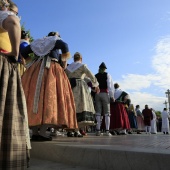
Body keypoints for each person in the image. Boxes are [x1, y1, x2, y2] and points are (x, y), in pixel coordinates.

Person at [21, 31, 78, 141]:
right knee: (50, 100)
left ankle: (35, 132)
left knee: (34, 99)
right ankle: (42, 132)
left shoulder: (38, 42)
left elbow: (24, 52)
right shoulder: (55, 40)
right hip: (51, 69)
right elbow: (65, 45)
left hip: (35, 69)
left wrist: (29, 62)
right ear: (56, 36)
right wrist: (64, 64)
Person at [0, 0, 31, 169]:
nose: (16, 15)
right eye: (15, 11)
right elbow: (13, 22)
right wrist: (15, 52)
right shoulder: (6, 15)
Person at [65, 52, 99, 136]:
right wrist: (96, 85)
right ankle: (76, 130)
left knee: (70, 107)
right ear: (81, 58)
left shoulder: (68, 67)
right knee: (79, 106)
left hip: (69, 87)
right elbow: (91, 75)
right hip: (79, 87)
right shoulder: (82, 66)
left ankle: (70, 130)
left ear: (73, 59)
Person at [95, 62, 114, 136]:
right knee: (107, 113)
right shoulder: (107, 75)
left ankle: (98, 130)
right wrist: (112, 96)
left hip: (97, 94)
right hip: (105, 94)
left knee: (98, 113)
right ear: (105, 69)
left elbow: (93, 85)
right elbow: (109, 86)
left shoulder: (95, 75)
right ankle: (107, 131)